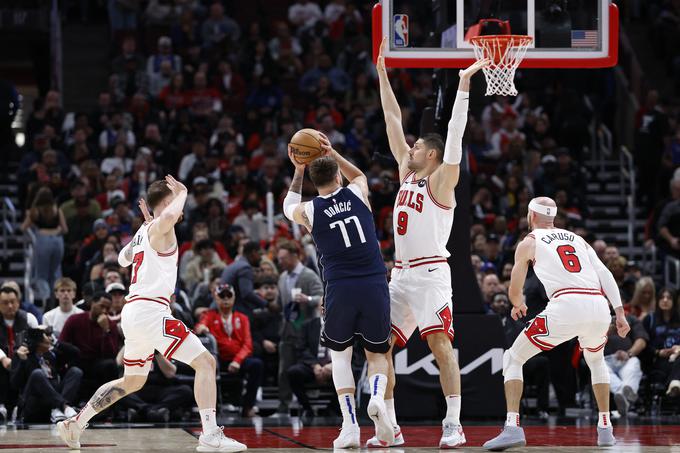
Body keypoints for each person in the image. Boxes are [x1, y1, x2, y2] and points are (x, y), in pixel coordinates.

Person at [56, 176, 246, 452]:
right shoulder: (160, 227)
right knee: (206, 363)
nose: (181, 208)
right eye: (177, 202)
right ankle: (210, 434)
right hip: (150, 310)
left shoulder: (146, 231)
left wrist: (145, 230)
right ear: (169, 203)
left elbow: (122, 258)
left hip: (133, 313)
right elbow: (168, 215)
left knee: (133, 380)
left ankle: (76, 422)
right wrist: (183, 191)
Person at [375, 37, 488, 448]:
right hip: (400, 276)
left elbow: (455, 139)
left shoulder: (442, 180)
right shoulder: (408, 173)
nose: (411, 146)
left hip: (431, 274)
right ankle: (390, 426)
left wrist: (462, 86)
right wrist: (382, 74)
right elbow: (391, 118)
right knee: (379, 347)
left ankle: (453, 424)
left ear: (433, 156)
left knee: (440, 345)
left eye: (418, 145)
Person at [483, 197, 631, 450]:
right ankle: (605, 428)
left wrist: (517, 303)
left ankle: (512, 427)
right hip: (598, 306)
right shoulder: (578, 239)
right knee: (596, 361)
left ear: (531, 216)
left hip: (566, 305)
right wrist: (619, 311)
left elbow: (515, 288)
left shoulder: (529, 241)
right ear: (553, 217)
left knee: (513, 358)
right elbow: (605, 273)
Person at [283, 140, 393, 448]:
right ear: (338, 177)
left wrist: (298, 169)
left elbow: (286, 206)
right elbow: (359, 175)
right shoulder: (358, 191)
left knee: (340, 357)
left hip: (339, 288)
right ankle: (377, 398)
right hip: (373, 283)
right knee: (378, 354)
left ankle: (349, 427)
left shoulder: (309, 211)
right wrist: (333, 154)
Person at [195, 283, 263, 417]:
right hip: (219, 359)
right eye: (222, 296)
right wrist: (202, 328)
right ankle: (209, 408)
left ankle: (248, 406)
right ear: (216, 298)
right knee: (206, 364)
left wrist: (237, 361)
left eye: (228, 295)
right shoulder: (209, 315)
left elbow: (248, 344)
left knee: (257, 365)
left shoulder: (242, 318)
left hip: (238, 359)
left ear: (234, 298)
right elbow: (199, 326)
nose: (225, 299)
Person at [274, 240, 323, 416]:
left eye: (283, 258)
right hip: (287, 331)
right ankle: (283, 407)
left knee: (304, 370)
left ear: (295, 256)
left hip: (306, 332)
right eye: (279, 259)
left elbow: (322, 298)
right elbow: (281, 304)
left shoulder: (309, 276)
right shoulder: (282, 277)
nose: (280, 262)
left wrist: (308, 299)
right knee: (284, 371)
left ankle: (306, 407)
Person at [10, 327, 81, 423]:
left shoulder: (50, 355)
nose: (50, 338)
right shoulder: (22, 355)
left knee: (75, 371)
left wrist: (56, 343)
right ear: (39, 343)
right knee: (37, 374)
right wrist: (23, 361)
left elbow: (75, 352)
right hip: (33, 402)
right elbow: (15, 384)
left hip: (52, 403)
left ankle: (58, 410)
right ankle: (64, 407)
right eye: (46, 336)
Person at [58, 292, 120, 394]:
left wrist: (106, 330)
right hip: (77, 361)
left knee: (110, 365)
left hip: (97, 363)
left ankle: (108, 405)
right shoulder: (75, 320)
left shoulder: (110, 325)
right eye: (102, 306)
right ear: (92, 303)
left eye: (107, 309)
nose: (104, 311)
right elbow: (61, 343)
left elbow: (112, 354)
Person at [20, 186, 68, 301]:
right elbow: (65, 229)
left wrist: (33, 233)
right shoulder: (57, 209)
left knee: (41, 274)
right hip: (58, 241)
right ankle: (56, 298)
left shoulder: (35, 210)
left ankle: (45, 297)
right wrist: (56, 232)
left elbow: (23, 227)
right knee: (55, 272)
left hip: (42, 240)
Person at [0, 285, 39, 423]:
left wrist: (26, 349)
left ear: (18, 302)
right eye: (5, 303)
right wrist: (3, 357)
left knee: (30, 363)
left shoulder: (29, 318)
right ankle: (2, 407)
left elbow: (38, 340)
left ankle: (21, 406)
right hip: (3, 362)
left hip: (24, 360)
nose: (10, 306)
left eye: (13, 302)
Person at [287, 312, 333, 418]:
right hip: (311, 365)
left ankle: (331, 409)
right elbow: (301, 348)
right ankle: (307, 408)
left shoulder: (344, 324)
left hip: (335, 365)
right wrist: (315, 365)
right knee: (293, 372)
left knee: (353, 373)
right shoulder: (308, 325)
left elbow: (351, 349)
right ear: (319, 308)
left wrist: (333, 365)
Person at [604, 313, 647, 417]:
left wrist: (629, 353)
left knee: (634, 363)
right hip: (604, 359)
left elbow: (641, 340)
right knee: (600, 369)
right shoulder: (596, 318)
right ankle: (624, 393)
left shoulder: (631, 318)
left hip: (627, 357)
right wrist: (605, 332)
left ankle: (622, 394)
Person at [220, 241, 268, 318]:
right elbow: (247, 294)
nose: (261, 258)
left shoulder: (233, 265)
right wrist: (267, 304)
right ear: (254, 253)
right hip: (234, 312)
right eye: (260, 254)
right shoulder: (245, 268)